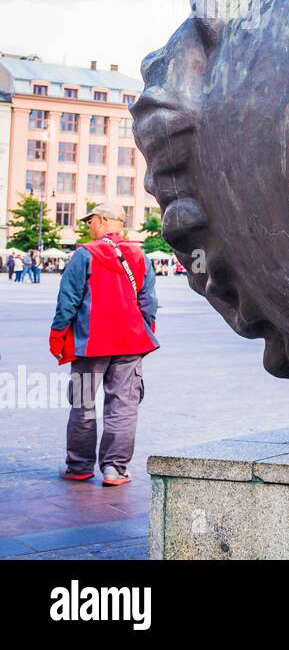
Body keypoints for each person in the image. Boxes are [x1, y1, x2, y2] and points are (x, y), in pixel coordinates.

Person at [48, 204, 159, 486]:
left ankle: (79, 467)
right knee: (123, 407)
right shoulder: (140, 255)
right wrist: (144, 332)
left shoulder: (84, 254)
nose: (88, 227)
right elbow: (148, 303)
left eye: (90, 222)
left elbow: (68, 301)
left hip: (91, 343)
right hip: (130, 343)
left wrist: (58, 335)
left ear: (101, 221)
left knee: (83, 403)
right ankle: (114, 469)